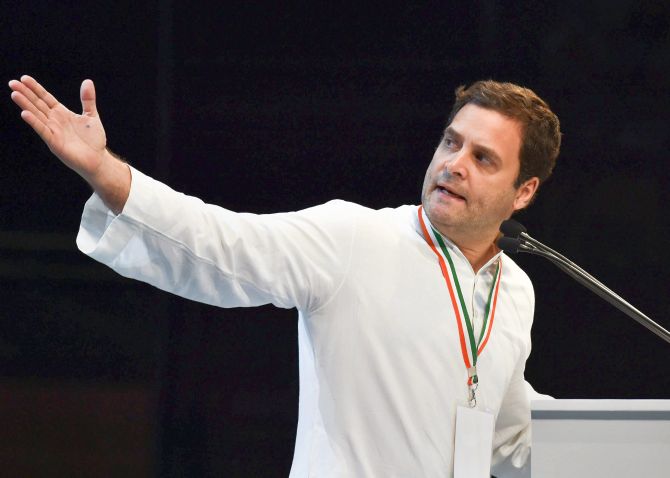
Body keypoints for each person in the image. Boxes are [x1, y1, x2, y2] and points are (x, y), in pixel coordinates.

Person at [9, 75, 560, 477]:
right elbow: (220, 243)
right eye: (451, 141)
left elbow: (507, 432)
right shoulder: (353, 238)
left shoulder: (514, 289)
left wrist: (632, 443)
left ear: (525, 191)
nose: (454, 163)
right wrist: (106, 171)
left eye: (484, 158)